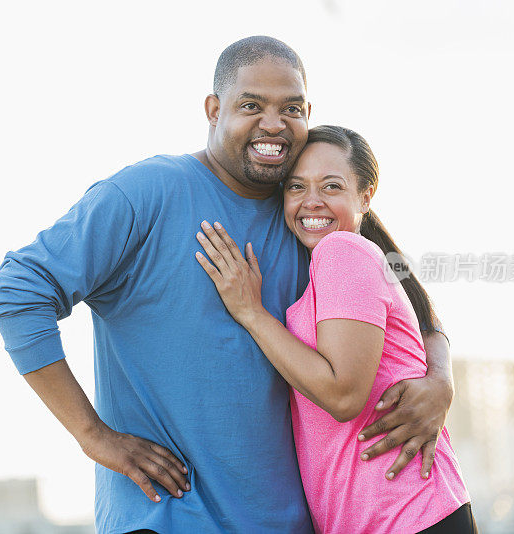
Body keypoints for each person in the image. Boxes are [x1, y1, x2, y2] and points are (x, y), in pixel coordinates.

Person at [0, 37, 455, 533]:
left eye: (290, 108)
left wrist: (440, 378)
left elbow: (403, 291)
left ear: (307, 113)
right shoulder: (146, 193)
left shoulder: (305, 212)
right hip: (165, 515)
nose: (272, 123)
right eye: (252, 105)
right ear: (214, 109)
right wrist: (93, 436)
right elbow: (16, 292)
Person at [194, 125, 476, 533]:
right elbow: (424, 314)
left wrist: (251, 313)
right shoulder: (366, 258)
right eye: (296, 187)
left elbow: (343, 395)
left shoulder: (342, 250)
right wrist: (441, 377)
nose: (312, 202)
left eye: (331, 186)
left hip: (406, 516)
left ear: (365, 195)